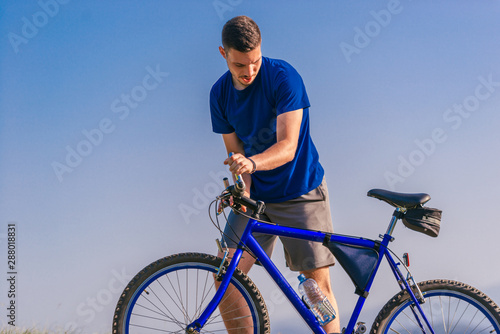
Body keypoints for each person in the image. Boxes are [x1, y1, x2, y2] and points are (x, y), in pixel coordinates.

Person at [209, 15, 340, 333]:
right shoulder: (219, 95)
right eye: (240, 65)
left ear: (261, 50)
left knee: (316, 287)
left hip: (301, 190)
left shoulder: (284, 77)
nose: (249, 71)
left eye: (254, 61)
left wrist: (251, 164)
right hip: (259, 199)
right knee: (225, 274)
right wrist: (243, 188)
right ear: (223, 54)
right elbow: (235, 154)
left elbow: (288, 147)